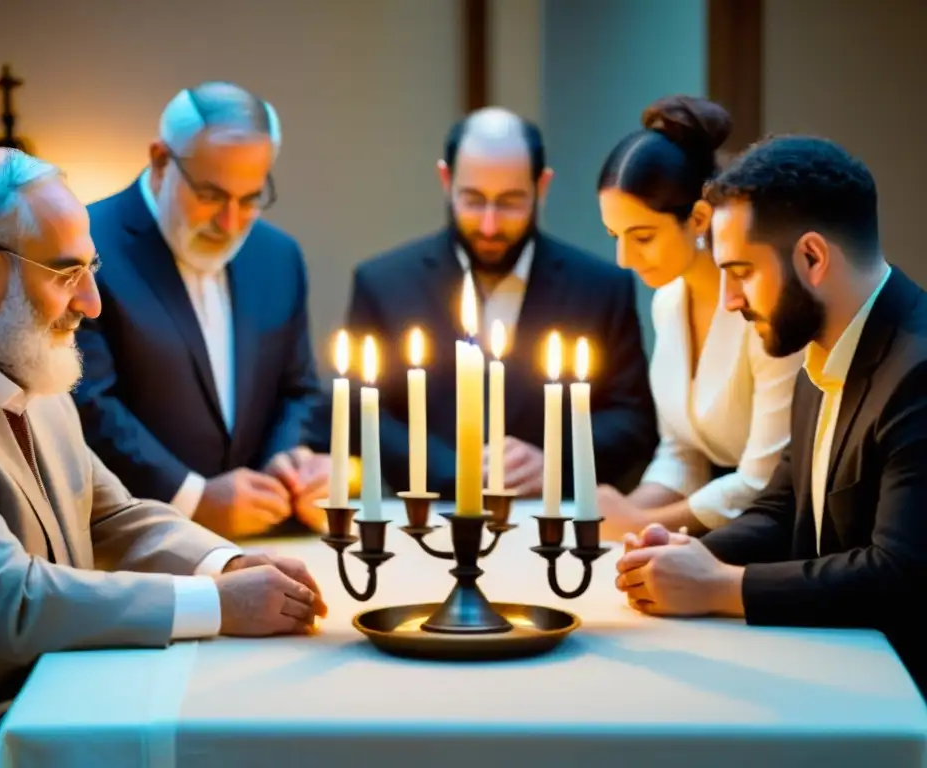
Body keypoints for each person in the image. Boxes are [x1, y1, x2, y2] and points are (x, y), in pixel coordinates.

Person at [0, 148, 327, 762]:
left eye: (92, 269)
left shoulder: (22, 356)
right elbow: (10, 601)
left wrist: (223, 565)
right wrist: (216, 605)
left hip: (63, 687)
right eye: (68, 274)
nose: (93, 303)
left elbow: (110, 516)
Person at [614, 135, 927, 696]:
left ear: (812, 257)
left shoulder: (918, 368)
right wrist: (687, 555)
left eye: (741, 271)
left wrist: (721, 587)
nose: (730, 300)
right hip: (834, 667)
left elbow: (898, 574)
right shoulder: (817, 345)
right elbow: (783, 507)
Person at [325, 107, 657, 499]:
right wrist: (453, 471)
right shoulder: (382, 282)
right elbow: (360, 408)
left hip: (550, 517)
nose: (489, 225)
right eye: (473, 200)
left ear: (542, 186)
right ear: (446, 180)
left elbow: (632, 418)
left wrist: (555, 461)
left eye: (510, 202)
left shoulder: (601, 286)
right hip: (427, 516)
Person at [73, 82, 328, 540]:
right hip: (132, 545)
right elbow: (85, 402)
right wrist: (191, 497)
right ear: (159, 160)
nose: (231, 222)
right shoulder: (86, 245)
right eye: (211, 194)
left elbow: (299, 389)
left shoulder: (279, 256)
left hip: (266, 539)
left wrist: (285, 461)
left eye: (250, 198)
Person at [595, 95, 804, 539]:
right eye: (615, 235)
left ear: (698, 217)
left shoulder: (763, 306)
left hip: (783, 537)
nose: (623, 259)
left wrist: (634, 522)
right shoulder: (668, 300)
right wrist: (620, 520)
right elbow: (682, 452)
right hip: (714, 530)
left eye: (643, 236)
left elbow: (763, 479)